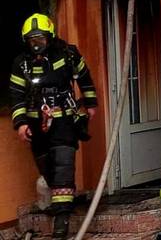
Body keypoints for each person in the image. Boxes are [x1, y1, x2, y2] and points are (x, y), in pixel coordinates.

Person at [9, 14, 98, 240]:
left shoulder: (67, 54)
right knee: (48, 170)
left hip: (64, 122)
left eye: (40, 39)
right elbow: (16, 95)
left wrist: (90, 104)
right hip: (36, 127)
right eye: (32, 40)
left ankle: (61, 225)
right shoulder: (21, 63)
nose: (36, 44)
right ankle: (62, 202)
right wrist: (20, 124)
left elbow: (84, 78)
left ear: (50, 37)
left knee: (63, 167)